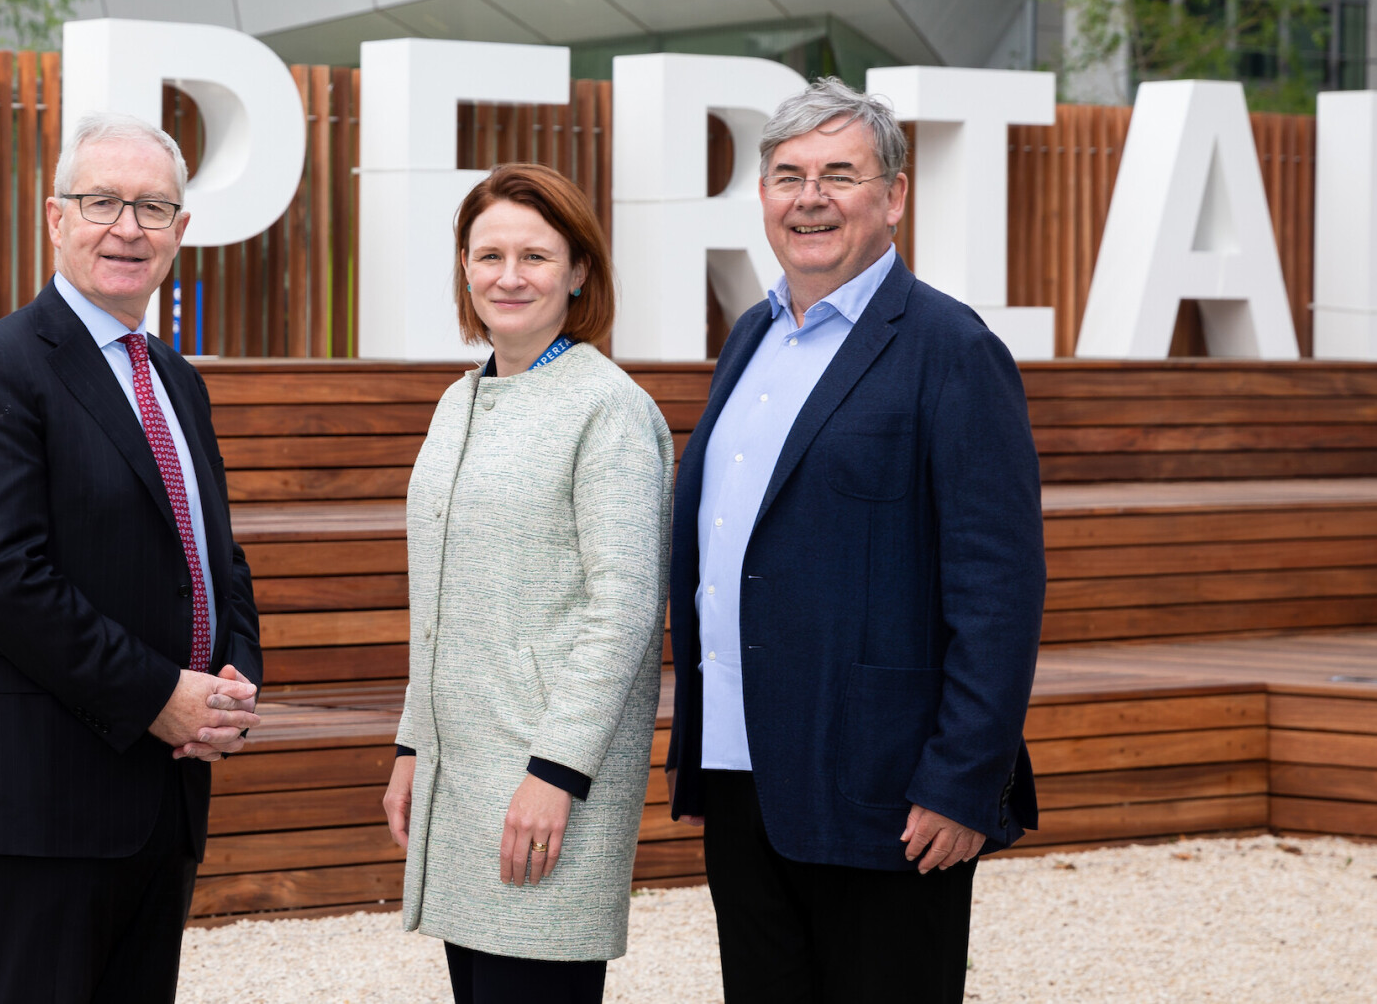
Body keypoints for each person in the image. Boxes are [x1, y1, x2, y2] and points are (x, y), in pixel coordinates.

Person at [666, 77, 1044, 1004]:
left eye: (842, 174)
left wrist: (962, 780)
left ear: (895, 197)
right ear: (761, 196)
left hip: (888, 788)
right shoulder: (751, 337)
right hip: (744, 771)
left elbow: (998, 588)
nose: (811, 197)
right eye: (789, 174)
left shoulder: (950, 348)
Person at [0, 112, 264, 1004]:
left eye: (153, 208)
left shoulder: (176, 379)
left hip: (167, 789)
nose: (127, 227)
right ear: (55, 219)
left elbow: (214, 555)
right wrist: (161, 696)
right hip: (48, 798)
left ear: (181, 232)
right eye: (102, 201)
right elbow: (3, 577)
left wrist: (231, 684)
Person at [382, 163, 674, 1004]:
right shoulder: (459, 401)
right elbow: (437, 600)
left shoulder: (606, 409)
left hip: (544, 785)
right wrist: (411, 747)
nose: (509, 276)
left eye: (536, 256)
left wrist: (557, 774)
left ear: (579, 271)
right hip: (460, 773)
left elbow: (623, 609)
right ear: (464, 269)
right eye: (488, 255)